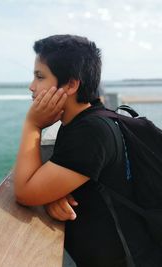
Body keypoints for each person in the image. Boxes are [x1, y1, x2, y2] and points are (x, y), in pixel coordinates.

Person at [13, 34, 162, 267]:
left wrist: (32, 125)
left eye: (40, 76)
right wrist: (51, 193)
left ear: (71, 84)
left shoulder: (90, 132)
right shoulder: (88, 120)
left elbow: (24, 192)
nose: (31, 86)